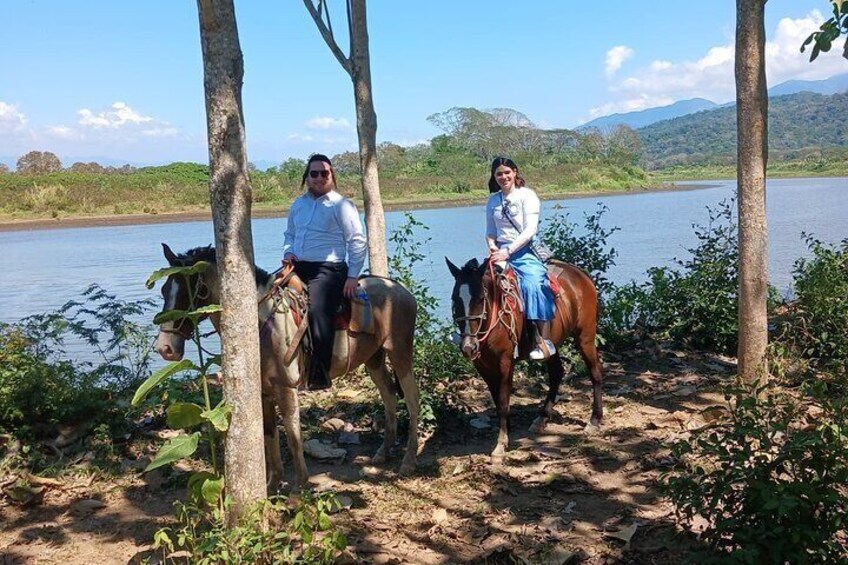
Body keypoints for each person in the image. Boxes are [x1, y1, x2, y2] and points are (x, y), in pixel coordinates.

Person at [282, 153, 367, 390]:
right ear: (307, 177)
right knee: (267, 296)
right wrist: (288, 252)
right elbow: (289, 235)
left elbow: (357, 241)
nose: (319, 177)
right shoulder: (298, 205)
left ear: (331, 176)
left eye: (324, 173)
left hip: (328, 269)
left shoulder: (342, 205)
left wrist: (352, 276)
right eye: (314, 173)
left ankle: (319, 373)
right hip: (298, 266)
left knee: (318, 310)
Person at [485, 156, 555, 360]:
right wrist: (492, 246)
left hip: (524, 251)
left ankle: (545, 341)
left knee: (534, 284)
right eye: (499, 174)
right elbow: (490, 231)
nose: (503, 177)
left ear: (515, 172)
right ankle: (475, 334)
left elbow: (529, 231)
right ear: (494, 176)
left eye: (507, 172)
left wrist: (508, 251)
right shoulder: (493, 201)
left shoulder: (528, 196)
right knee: (476, 283)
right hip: (500, 252)